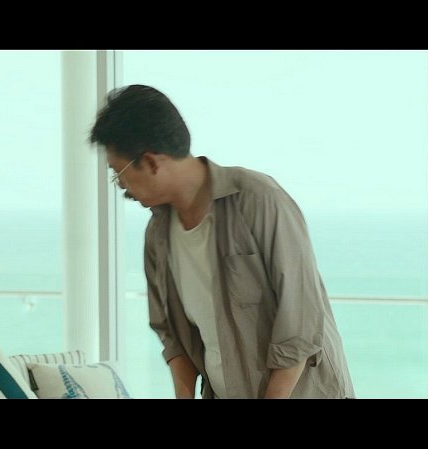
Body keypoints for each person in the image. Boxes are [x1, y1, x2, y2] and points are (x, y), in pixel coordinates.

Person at [89, 84, 354, 399]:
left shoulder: (258, 199)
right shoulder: (157, 235)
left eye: (118, 172)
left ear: (151, 162)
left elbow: (301, 321)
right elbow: (172, 336)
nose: (121, 186)